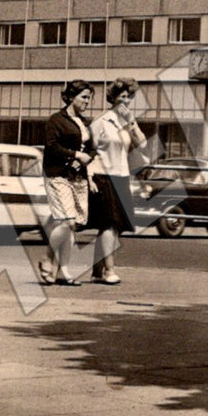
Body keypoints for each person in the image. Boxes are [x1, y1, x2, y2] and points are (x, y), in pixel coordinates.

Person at [88, 77, 149, 285]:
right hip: (103, 175)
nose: (126, 101)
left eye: (129, 97)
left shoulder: (127, 122)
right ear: (113, 98)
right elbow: (90, 150)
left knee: (117, 225)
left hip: (122, 175)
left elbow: (142, 144)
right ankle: (109, 270)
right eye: (122, 96)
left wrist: (132, 123)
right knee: (109, 224)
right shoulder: (101, 121)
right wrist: (90, 176)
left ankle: (97, 269)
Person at [39, 79, 98, 286]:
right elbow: (51, 146)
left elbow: (92, 148)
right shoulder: (56, 120)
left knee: (73, 225)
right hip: (58, 175)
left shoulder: (84, 122)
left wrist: (85, 159)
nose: (87, 102)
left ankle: (62, 271)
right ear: (71, 97)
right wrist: (75, 155)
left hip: (78, 177)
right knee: (67, 222)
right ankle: (47, 257)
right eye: (84, 97)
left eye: (89, 98)